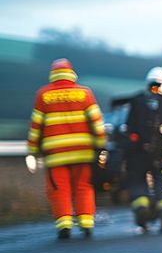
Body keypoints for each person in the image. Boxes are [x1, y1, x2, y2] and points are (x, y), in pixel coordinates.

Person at [26, 58, 106, 239]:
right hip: (83, 152)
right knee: (84, 186)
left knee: (59, 189)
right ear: (71, 73)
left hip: (55, 154)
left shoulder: (43, 94)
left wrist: (32, 150)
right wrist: (100, 145)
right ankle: (86, 224)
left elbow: (36, 125)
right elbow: (96, 122)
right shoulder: (85, 93)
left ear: (53, 74)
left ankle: (64, 225)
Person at [124, 66, 162, 232]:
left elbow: (128, 126)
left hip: (137, 152)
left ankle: (141, 209)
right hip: (160, 152)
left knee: (137, 180)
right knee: (160, 180)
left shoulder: (137, 100)